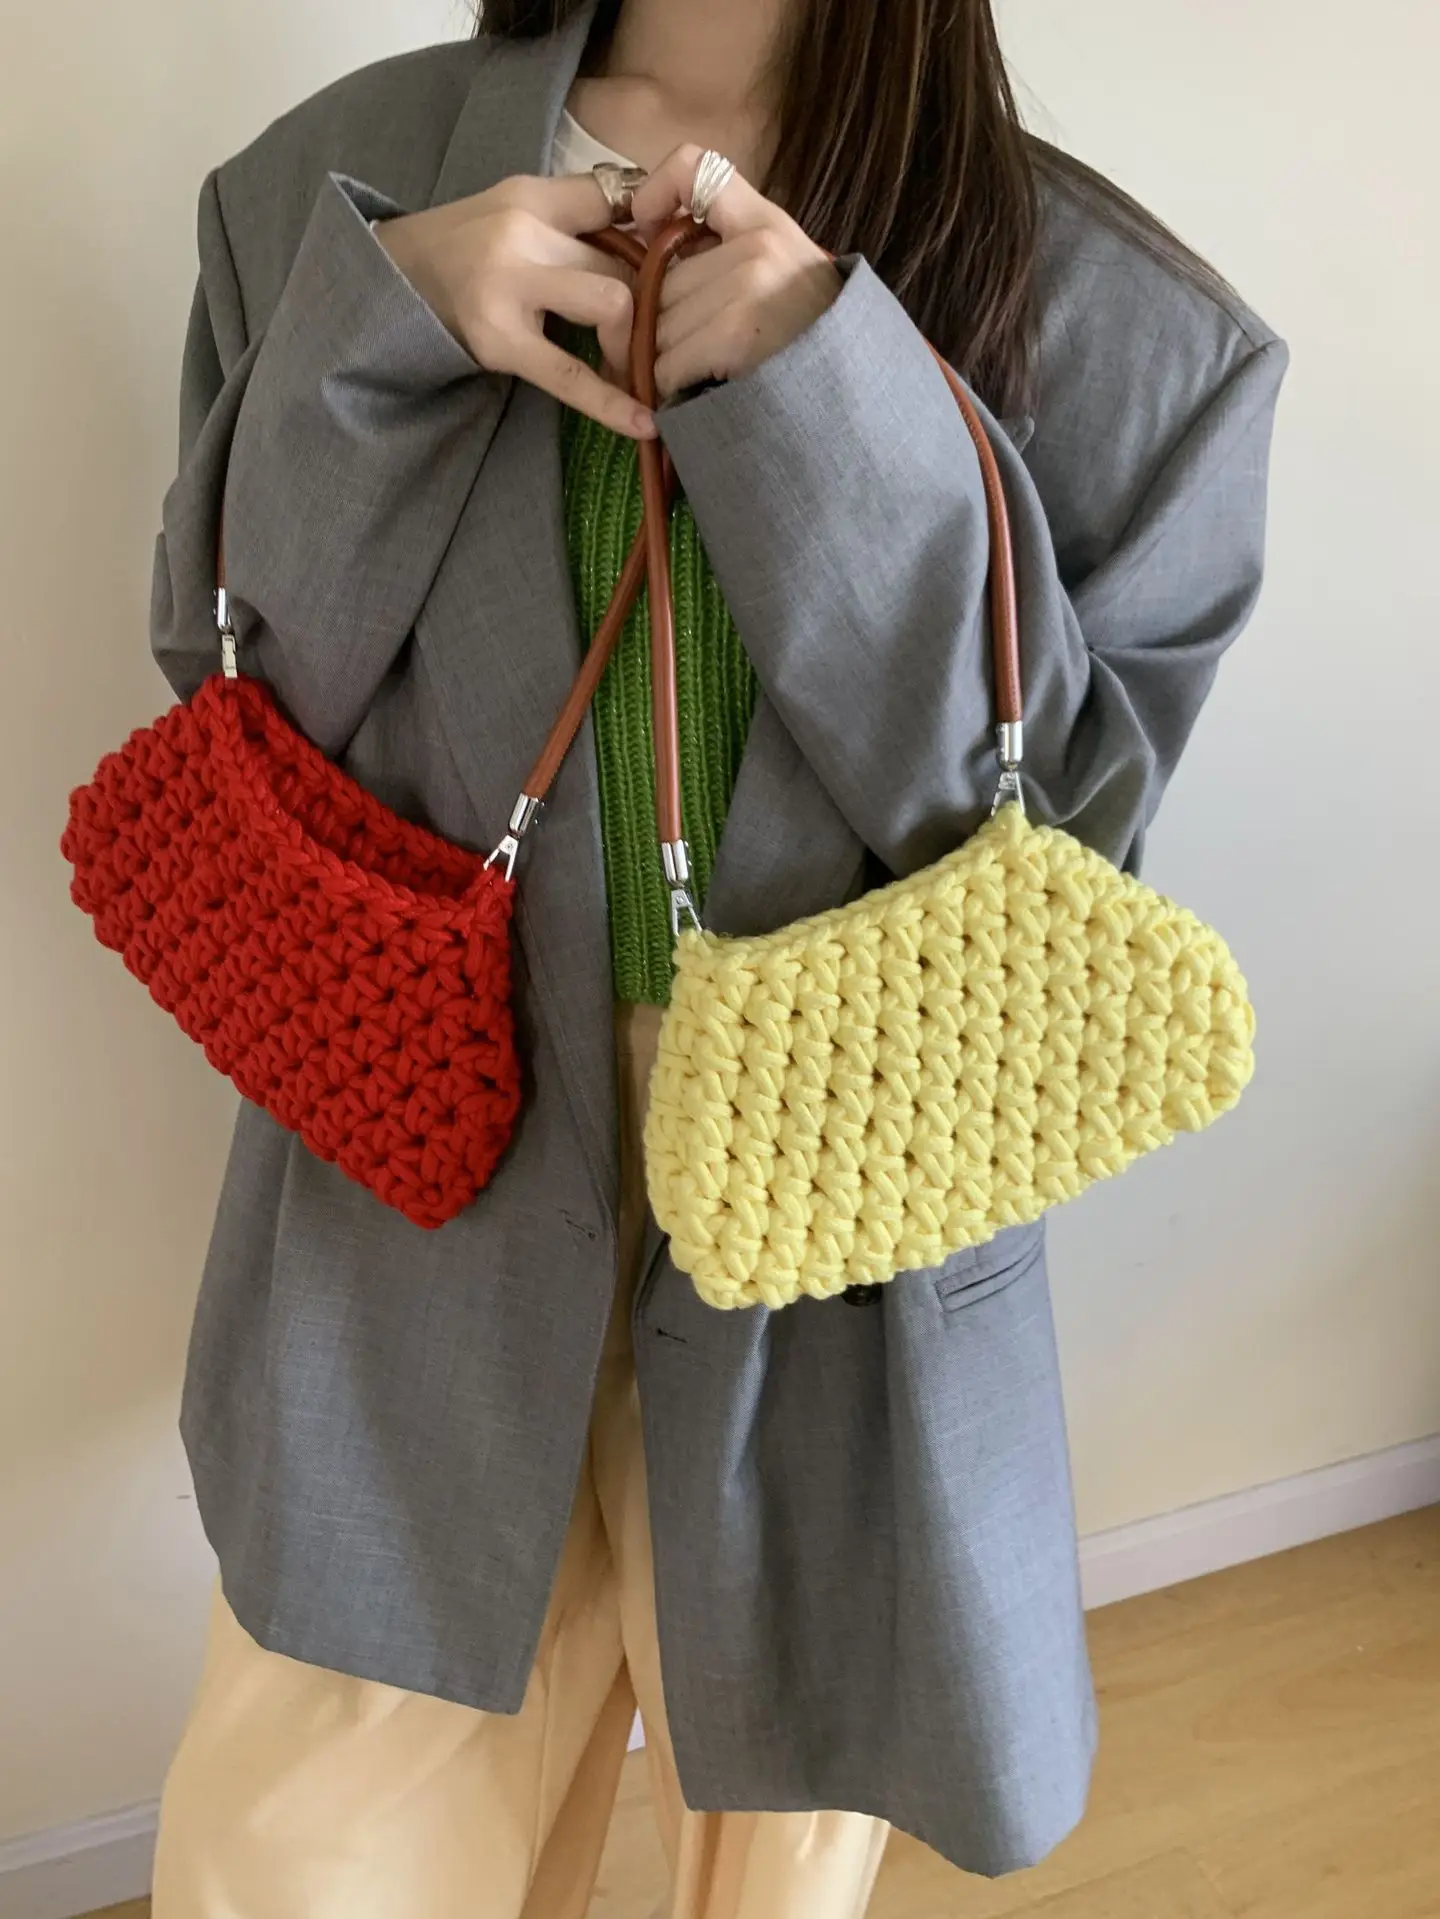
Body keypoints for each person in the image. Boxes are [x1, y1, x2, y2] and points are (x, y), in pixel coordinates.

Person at [147, 0, 1287, 1913]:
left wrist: (837, 399)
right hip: (415, 1184)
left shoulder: (1128, 331)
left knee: (770, 1854)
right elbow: (236, 688)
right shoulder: (322, 199)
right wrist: (386, 329)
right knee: (308, 1847)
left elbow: (1054, 848)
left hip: (844, 1213)